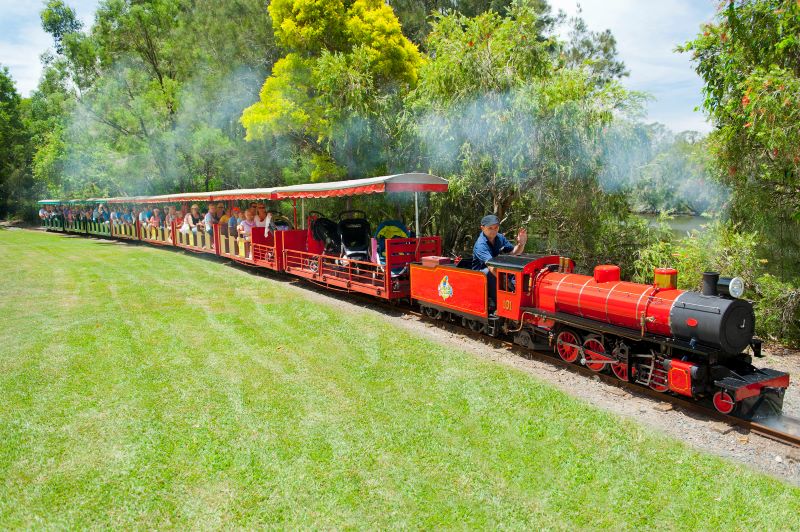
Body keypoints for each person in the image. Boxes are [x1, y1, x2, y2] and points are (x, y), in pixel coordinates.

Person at [472, 214, 527, 308]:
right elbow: (491, 267)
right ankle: (495, 302)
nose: (494, 231)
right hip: (479, 275)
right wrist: (507, 282)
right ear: (482, 228)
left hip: (496, 269)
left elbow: (513, 253)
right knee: (487, 272)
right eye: (490, 228)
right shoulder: (480, 245)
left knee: (512, 266)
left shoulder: (500, 238)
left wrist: (521, 244)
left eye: (496, 228)